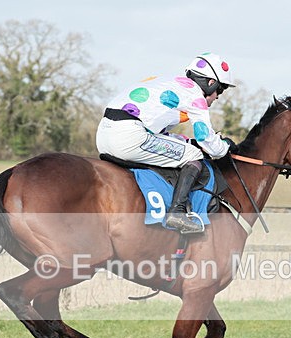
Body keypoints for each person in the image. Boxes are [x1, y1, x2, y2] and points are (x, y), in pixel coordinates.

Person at [96, 53, 237, 234]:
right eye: (221, 89)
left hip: (104, 136)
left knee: (189, 149)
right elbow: (206, 138)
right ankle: (177, 212)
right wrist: (224, 147)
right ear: (211, 83)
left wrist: (189, 142)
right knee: (194, 156)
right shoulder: (196, 96)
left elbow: (160, 135)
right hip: (129, 136)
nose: (217, 96)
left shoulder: (166, 83)